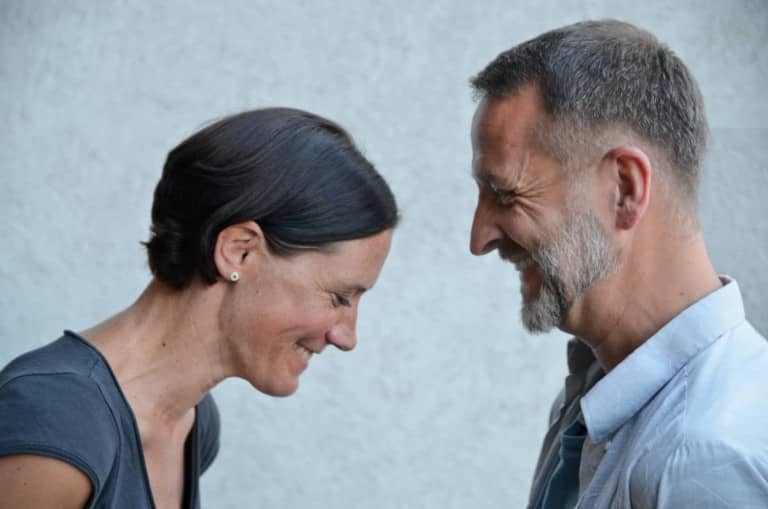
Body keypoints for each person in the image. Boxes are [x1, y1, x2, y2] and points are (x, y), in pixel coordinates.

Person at [0, 108, 398, 508]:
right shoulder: (56, 423)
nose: (347, 336)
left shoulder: (193, 422)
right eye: (340, 297)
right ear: (239, 252)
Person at [468, 20, 768, 508]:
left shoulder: (705, 459)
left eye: (506, 193)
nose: (479, 238)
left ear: (624, 189)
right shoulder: (595, 397)